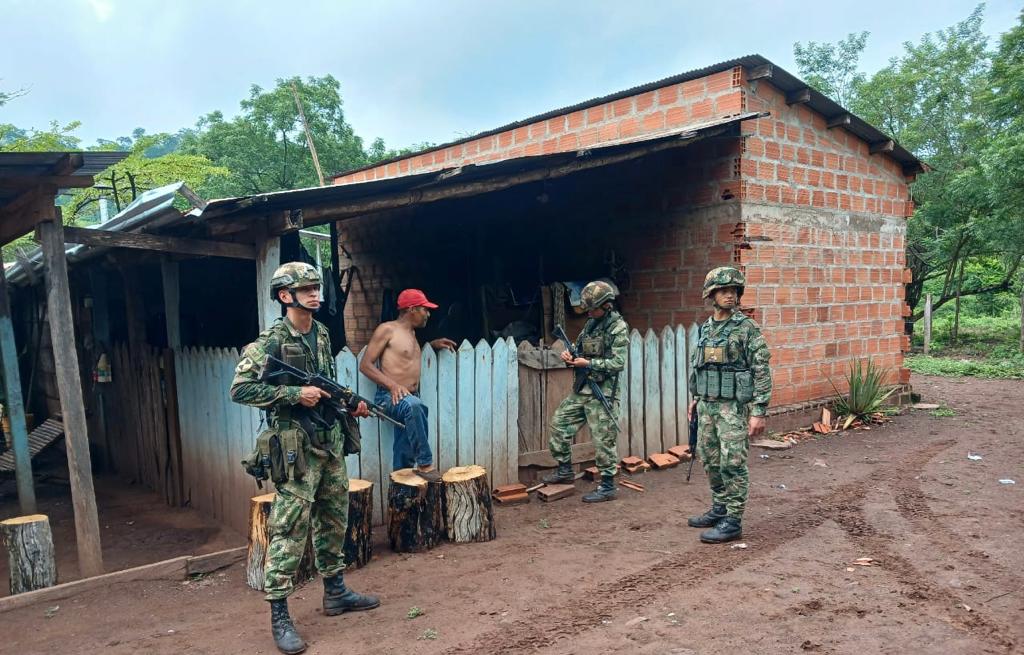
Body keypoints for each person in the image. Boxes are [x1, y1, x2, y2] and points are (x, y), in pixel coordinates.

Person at [230, 262, 380, 655]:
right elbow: (240, 389)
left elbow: (326, 383)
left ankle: (336, 592)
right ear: (285, 296)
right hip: (296, 451)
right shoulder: (271, 341)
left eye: (317, 288)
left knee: (334, 516)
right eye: (307, 289)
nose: (316, 294)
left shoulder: (323, 333)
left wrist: (353, 403)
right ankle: (279, 612)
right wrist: (294, 395)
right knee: (290, 529)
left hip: (328, 442)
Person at [686, 266, 772, 544]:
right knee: (710, 459)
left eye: (735, 290)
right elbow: (699, 366)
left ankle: (733, 520)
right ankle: (720, 507)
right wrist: (695, 397)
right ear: (711, 294)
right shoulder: (706, 329)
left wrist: (758, 411)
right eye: (724, 290)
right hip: (707, 406)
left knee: (732, 462)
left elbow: (761, 369)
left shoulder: (746, 328)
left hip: (733, 408)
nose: (730, 295)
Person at [542, 280, 628, 502]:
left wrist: (588, 364)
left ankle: (608, 485)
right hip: (583, 389)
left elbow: (618, 363)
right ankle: (564, 470)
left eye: (593, 308)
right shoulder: (590, 325)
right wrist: (569, 358)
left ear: (607, 305)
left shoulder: (617, 327)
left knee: (603, 439)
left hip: (603, 392)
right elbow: (579, 350)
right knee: (559, 424)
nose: (589, 312)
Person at [359, 289, 457, 474]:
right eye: (424, 309)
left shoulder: (412, 334)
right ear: (412, 309)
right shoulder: (387, 329)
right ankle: (425, 463)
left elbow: (405, 356)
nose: (428, 314)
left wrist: (432, 345)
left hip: (408, 397)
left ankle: (401, 494)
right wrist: (393, 385)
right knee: (414, 407)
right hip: (389, 397)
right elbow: (365, 365)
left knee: (404, 453)